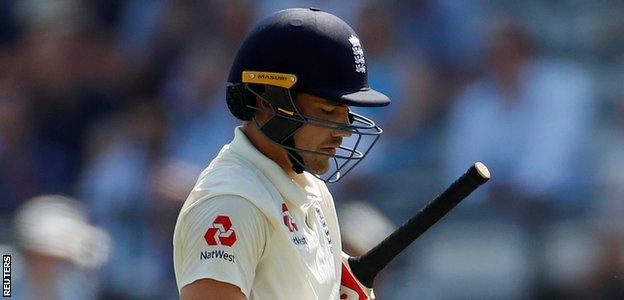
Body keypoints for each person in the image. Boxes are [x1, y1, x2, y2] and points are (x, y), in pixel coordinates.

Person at [173, 8, 390, 299]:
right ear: (267, 103)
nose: (344, 130)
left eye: (345, 112)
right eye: (327, 110)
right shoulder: (232, 202)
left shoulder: (314, 191)